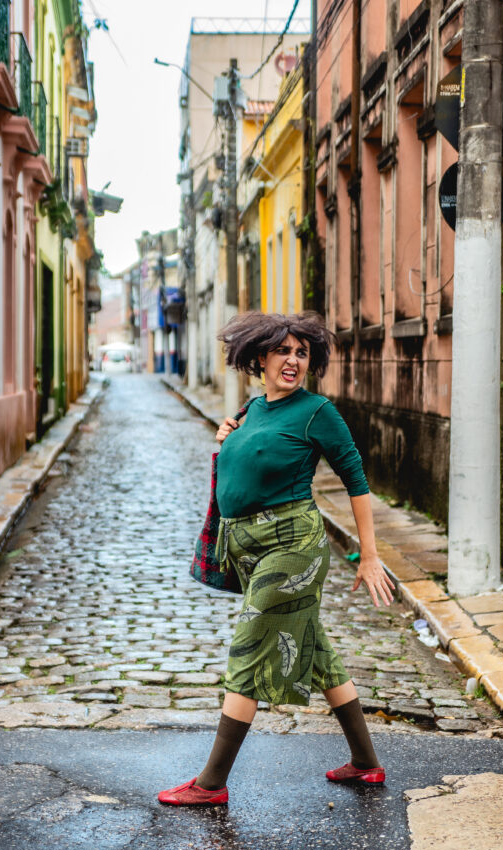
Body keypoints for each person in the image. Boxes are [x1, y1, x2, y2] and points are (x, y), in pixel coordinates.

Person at [158, 311, 395, 807]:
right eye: (283, 351)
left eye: (302, 352)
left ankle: (211, 784)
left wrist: (368, 556)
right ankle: (367, 763)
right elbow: (244, 465)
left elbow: (355, 479)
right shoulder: (253, 409)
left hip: (291, 549)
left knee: (248, 648)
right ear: (260, 358)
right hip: (249, 550)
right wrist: (227, 439)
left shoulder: (316, 412)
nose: (293, 360)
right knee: (320, 656)